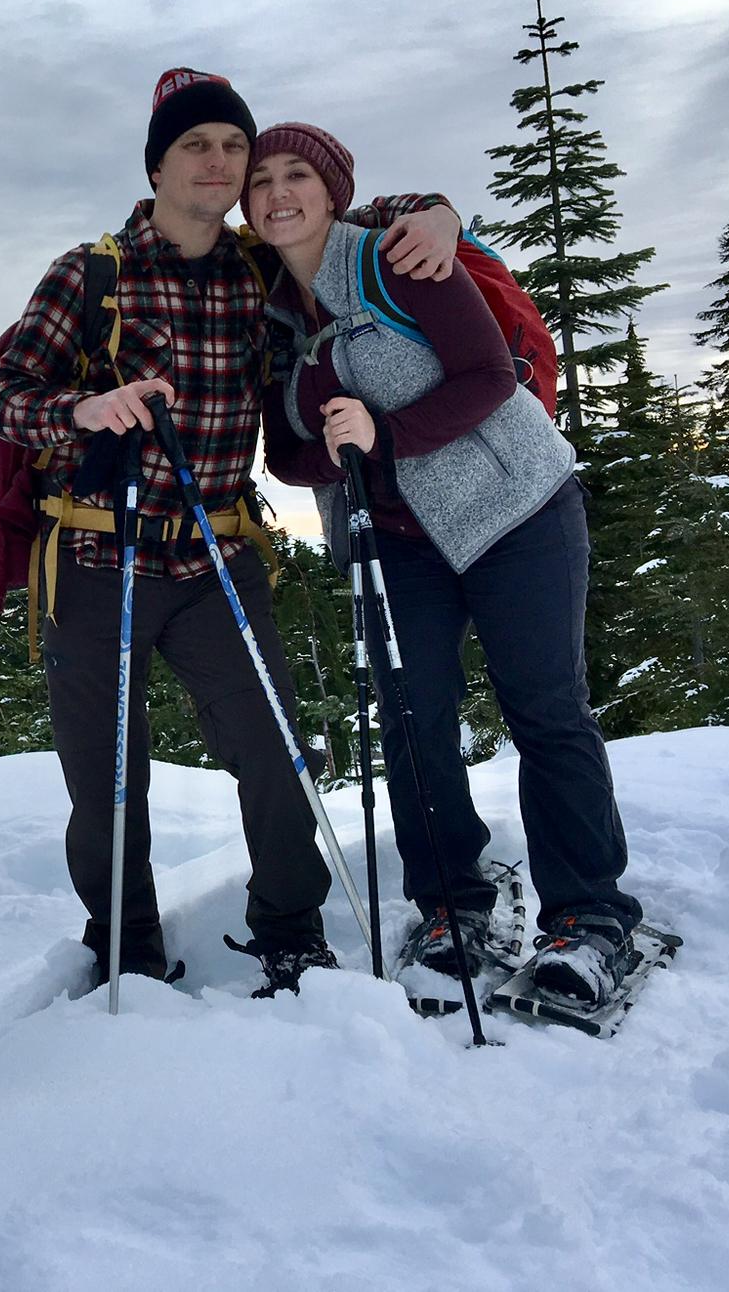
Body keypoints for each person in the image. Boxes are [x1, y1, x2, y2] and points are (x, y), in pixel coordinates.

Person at [0, 71, 463, 997]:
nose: (220, 162)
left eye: (233, 148)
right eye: (197, 146)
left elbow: (354, 209)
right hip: (95, 554)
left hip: (215, 552)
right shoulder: (93, 273)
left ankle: (291, 929)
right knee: (107, 780)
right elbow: (7, 398)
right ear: (159, 163)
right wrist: (85, 409)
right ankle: (126, 947)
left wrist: (440, 213)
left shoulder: (254, 265)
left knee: (274, 750)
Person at [247, 121, 643, 1006]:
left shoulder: (396, 258)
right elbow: (289, 452)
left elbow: (485, 375)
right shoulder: (271, 312)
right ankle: (450, 904)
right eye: (261, 177)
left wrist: (385, 434)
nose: (278, 191)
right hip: (397, 541)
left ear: (333, 190)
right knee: (413, 720)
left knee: (544, 707)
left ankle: (590, 918)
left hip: (518, 510)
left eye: (297, 175)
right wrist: (344, 448)